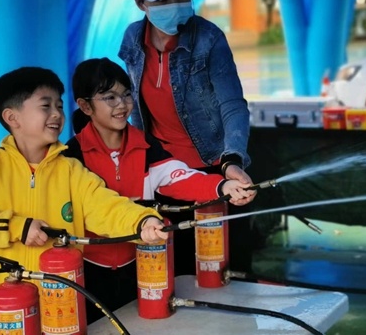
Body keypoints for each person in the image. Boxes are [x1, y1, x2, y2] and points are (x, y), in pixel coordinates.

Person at [0, 66, 167, 335]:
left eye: (59, 106)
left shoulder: (71, 171)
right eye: (45, 106)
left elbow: (107, 206)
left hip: (59, 315)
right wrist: (17, 227)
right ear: (12, 117)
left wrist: (142, 222)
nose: (57, 114)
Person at [64, 57, 256, 323]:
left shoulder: (146, 146)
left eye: (126, 94)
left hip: (142, 264)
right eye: (109, 97)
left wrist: (222, 186)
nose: (122, 104)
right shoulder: (71, 156)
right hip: (89, 270)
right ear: (85, 106)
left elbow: (180, 177)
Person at [118, 0, 254, 275]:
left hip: (214, 169)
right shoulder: (133, 39)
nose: (175, 4)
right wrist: (137, 160)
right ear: (141, 3)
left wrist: (231, 160)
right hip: (164, 172)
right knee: (174, 269)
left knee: (223, 268)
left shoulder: (209, 38)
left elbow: (233, 104)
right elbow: (130, 105)